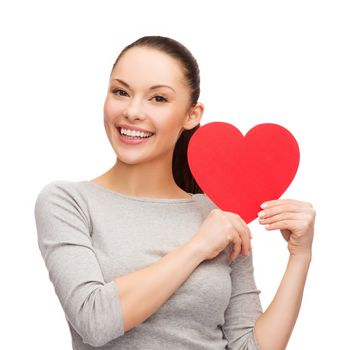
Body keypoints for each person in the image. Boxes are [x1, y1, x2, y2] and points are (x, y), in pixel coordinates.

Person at [34, 35, 316, 350]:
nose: (133, 111)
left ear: (191, 115)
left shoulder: (220, 214)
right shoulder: (67, 202)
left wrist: (299, 256)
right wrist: (198, 246)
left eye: (158, 99)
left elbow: (248, 346)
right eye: (121, 92)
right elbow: (94, 321)